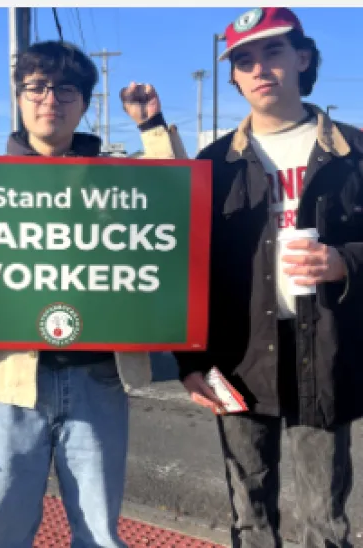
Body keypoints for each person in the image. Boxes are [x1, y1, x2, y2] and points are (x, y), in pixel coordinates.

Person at [0, 40, 184, 548]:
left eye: (67, 88)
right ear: (20, 96)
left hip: (98, 378)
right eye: (37, 86)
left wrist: (152, 126)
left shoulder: (116, 176)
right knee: (3, 532)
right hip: (10, 381)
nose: (51, 98)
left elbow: (175, 194)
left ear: (84, 102)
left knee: (99, 535)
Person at [162, 8, 362, 548]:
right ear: (234, 78)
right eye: (244, 61)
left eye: (272, 52)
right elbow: (186, 267)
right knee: (250, 517)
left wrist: (348, 260)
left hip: (324, 352)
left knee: (327, 521)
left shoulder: (354, 151)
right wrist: (189, 363)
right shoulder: (214, 163)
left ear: (302, 58)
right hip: (239, 357)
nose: (259, 69)